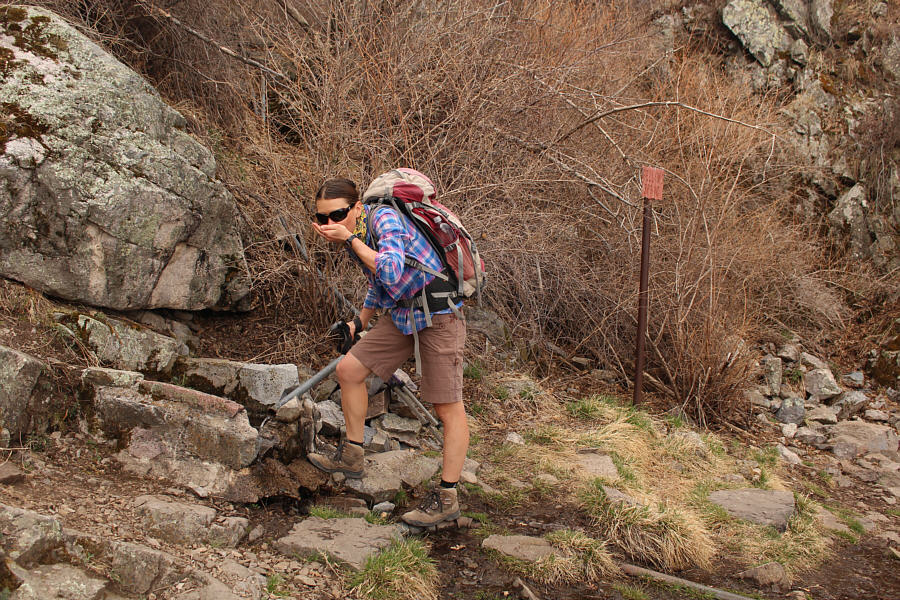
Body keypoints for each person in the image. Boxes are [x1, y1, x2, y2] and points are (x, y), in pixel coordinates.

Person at [306, 177, 470, 527]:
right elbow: (378, 283)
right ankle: (352, 455)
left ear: (357, 208)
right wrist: (358, 323)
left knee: (446, 405)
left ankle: (447, 498)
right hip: (403, 312)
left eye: (337, 214)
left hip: (438, 312)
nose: (330, 224)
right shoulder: (357, 233)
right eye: (322, 219)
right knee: (349, 371)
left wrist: (348, 239)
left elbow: (392, 269)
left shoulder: (383, 220)